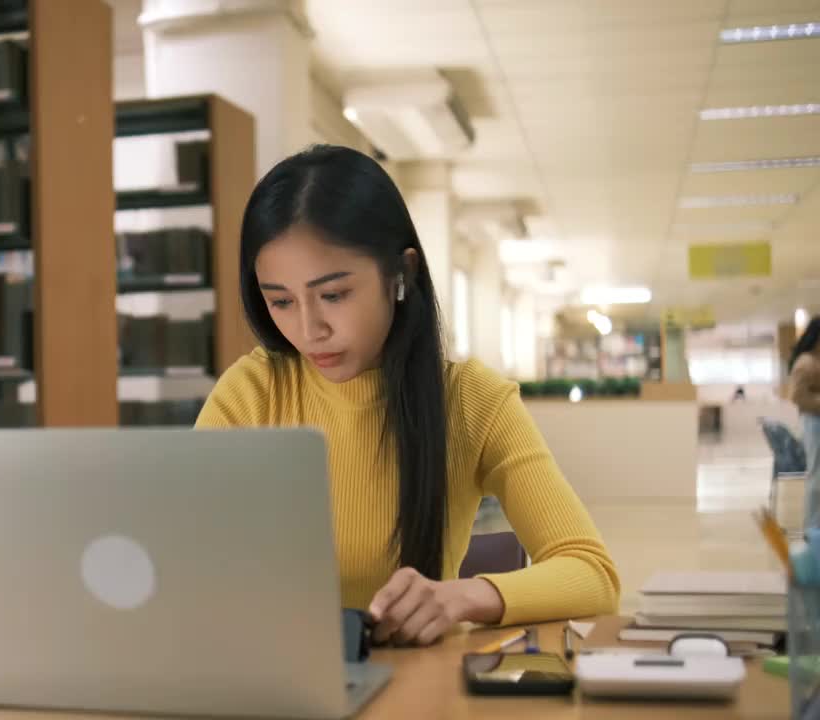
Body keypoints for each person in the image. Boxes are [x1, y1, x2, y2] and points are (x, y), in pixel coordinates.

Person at [196, 145, 619, 646]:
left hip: (416, 690)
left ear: (401, 274)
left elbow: (593, 574)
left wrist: (461, 597)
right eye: (281, 301)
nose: (310, 330)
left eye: (333, 295)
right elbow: (179, 559)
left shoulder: (470, 399)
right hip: (269, 684)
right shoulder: (252, 393)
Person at [789, 318, 820, 526]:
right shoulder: (806, 362)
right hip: (814, 422)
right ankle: (812, 527)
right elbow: (798, 396)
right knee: (816, 476)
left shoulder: (815, 360)